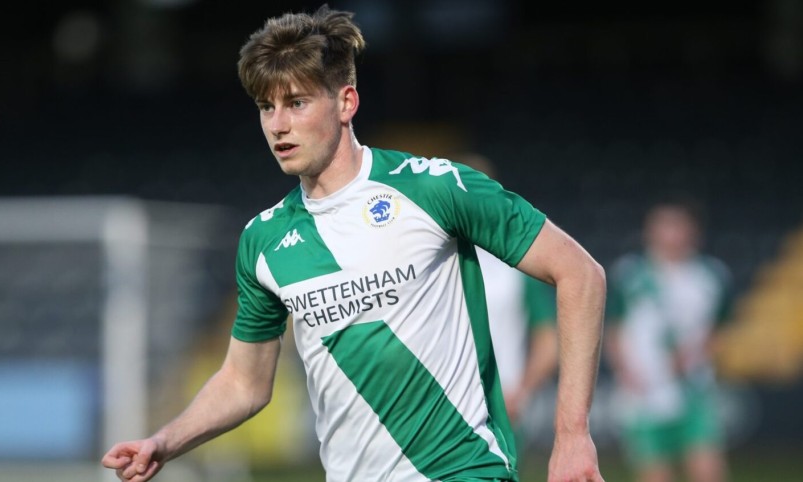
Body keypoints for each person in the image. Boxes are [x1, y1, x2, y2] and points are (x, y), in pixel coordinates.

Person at [102, 5, 606, 482]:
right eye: (266, 107)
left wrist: (572, 434)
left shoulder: (433, 187)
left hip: (462, 470)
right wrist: (164, 442)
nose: (278, 125)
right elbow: (243, 382)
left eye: (296, 103)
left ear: (346, 102)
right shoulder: (264, 240)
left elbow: (580, 273)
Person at [605, 197, 732, 482]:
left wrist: (698, 355)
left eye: (677, 226)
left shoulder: (711, 276)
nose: (670, 234)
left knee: (708, 470)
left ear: (692, 231)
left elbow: (719, 328)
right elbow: (614, 328)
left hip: (694, 389)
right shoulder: (631, 274)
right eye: (663, 226)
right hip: (645, 393)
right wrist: (625, 370)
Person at [457, 153, 559, 452]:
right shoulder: (426, 260)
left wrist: (522, 391)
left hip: (502, 406)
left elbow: (548, 339)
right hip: (439, 404)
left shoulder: (517, 266)